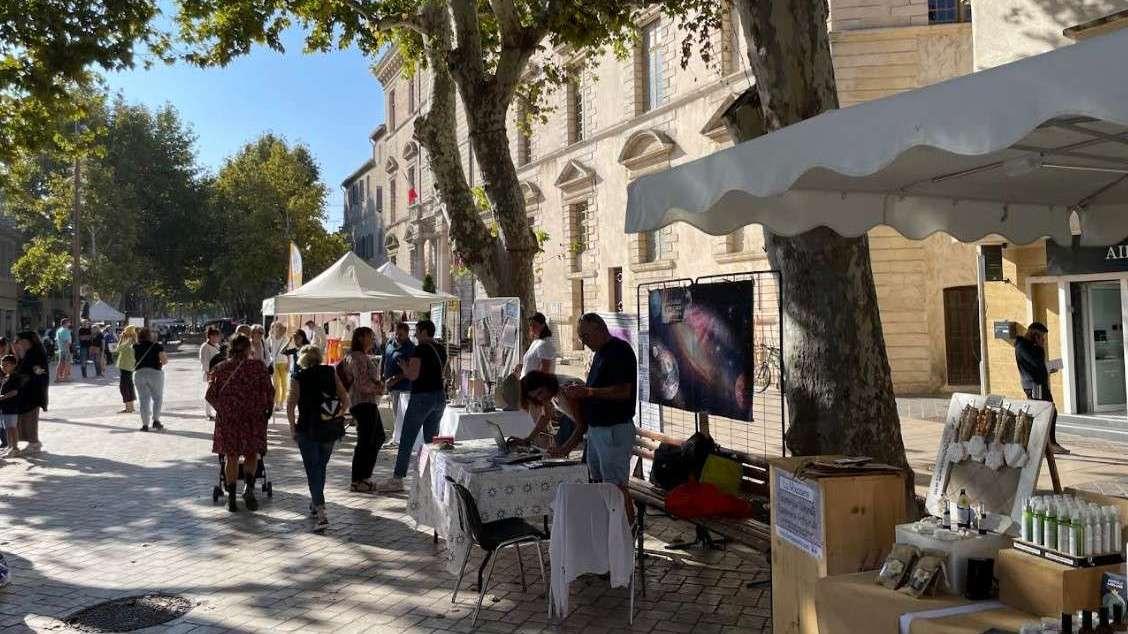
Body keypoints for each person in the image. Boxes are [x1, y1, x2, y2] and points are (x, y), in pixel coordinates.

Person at [563, 314, 637, 518]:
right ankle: (610, 531)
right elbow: (597, 389)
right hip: (597, 430)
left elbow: (623, 391)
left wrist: (588, 392)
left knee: (616, 487)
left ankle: (626, 537)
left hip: (614, 429)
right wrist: (582, 391)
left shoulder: (619, 351)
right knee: (598, 484)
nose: (584, 342)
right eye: (581, 338)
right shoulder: (599, 353)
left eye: (586, 336)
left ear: (600, 329)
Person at [207, 334, 275, 513]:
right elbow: (269, 390)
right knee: (251, 453)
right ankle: (249, 489)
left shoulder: (220, 368)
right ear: (248, 349)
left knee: (231, 456)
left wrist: (222, 409)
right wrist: (268, 409)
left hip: (229, 420)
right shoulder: (258, 367)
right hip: (253, 418)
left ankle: (231, 498)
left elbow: (210, 395)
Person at [288, 344, 349, 530]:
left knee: (313, 469)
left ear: (302, 359)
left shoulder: (298, 377)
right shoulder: (330, 372)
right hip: (329, 428)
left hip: (307, 429)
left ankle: (321, 510)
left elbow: (290, 405)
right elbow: (345, 397)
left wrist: (292, 428)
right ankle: (316, 502)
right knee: (320, 466)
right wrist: (338, 414)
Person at [382, 319, 446, 492]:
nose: (415, 335)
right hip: (439, 396)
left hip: (421, 397)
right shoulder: (441, 349)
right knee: (432, 440)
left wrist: (404, 366)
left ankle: (397, 478)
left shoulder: (420, 349)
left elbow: (412, 375)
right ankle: (433, 476)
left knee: (407, 438)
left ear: (424, 332)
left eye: (417, 331)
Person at [339, 327, 385, 493]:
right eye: (369, 336)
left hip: (367, 402)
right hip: (362, 403)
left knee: (377, 437)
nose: (372, 339)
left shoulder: (361, 356)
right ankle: (358, 480)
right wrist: (377, 388)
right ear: (360, 338)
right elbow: (360, 383)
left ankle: (364, 477)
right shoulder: (356, 357)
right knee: (365, 441)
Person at [1015, 321, 1068, 455]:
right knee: (1045, 412)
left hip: (1038, 384)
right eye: (1041, 336)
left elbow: (1037, 366)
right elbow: (1036, 363)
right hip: (1034, 386)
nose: (1043, 339)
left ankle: (1046, 444)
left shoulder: (1029, 346)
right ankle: (1047, 444)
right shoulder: (1022, 346)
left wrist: (1048, 369)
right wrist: (1040, 347)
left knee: (1047, 412)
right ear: (1034, 335)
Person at [512, 371, 586, 456]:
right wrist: (528, 440)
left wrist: (564, 449)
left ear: (545, 384)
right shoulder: (548, 391)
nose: (540, 398)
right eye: (536, 397)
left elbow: (582, 425)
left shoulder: (567, 389)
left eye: (540, 393)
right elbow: (545, 416)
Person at [12, 331, 49, 455]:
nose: (19, 344)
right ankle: (31, 442)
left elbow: (38, 371)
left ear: (28, 341)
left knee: (30, 419)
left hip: (34, 391)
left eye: (20, 341)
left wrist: (31, 375)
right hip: (26, 391)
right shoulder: (28, 352)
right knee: (24, 418)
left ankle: (34, 443)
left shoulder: (36, 352)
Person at [382, 322, 415, 449]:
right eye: (396, 333)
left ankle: (402, 440)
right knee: (396, 414)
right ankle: (397, 438)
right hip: (391, 386)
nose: (397, 336)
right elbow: (385, 360)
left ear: (407, 334)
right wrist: (382, 377)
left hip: (404, 387)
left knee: (403, 414)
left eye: (401, 334)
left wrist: (396, 378)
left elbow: (411, 369)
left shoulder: (410, 348)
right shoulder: (390, 343)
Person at [132, 327, 168, 432]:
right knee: (157, 398)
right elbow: (164, 361)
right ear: (150, 335)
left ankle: (145, 425)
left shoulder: (135, 346)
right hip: (155, 373)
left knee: (143, 400)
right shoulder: (157, 346)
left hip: (139, 373)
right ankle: (156, 420)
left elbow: (131, 361)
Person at [0, 355, 27, 457]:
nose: (3, 367)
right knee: (7, 428)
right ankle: (9, 446)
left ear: (13, 365)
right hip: (5, 407)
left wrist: (2, 397)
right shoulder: (6, 377)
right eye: (2, 365)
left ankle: (15, 448)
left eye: (6, 365)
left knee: (12, 427)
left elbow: (15, 392)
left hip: (12, 406)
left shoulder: (15, 377)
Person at [516, 312, 557, 379]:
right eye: (531, 325)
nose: (532, 327)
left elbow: (545, 370)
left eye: (535, 325)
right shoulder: (536, 342)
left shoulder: (544, 344)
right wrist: (522, 367)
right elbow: (533, 364)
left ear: (542, 325)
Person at [199, 327, 222, 420]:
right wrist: (208, 372)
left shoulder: (217, 345)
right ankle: (208, 413)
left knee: (217, 392)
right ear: (210, 336)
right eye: (214, 335)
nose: (216, 337)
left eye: (217, 335)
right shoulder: (205, 346)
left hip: (219, 371)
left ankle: (218, 411)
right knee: (209, 392)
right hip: (211, 372)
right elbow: (204, 361)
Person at [115, 326, 139, 414]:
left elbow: (118, 349)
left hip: (126, 367)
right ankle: (130, 407)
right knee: (129, 386)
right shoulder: (134, 342)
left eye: (124, 332)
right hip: (129, 367)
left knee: (124, 387)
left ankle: (128, 408)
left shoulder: (129, 342)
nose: (122, 333)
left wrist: (122, 339)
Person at [267, 322, 290, 411]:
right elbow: (266, 348)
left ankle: (282, 403)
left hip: (284, 362)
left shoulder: (285, 338)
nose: (275, 329)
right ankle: (277, 403)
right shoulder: (270, 338)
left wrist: (289, 363)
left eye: (276, 327)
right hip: (274, 363)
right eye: (273, 327)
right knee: (276, 384)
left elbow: (288, 352)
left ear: (280, 328)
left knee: (284, 384)